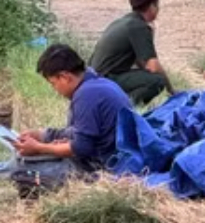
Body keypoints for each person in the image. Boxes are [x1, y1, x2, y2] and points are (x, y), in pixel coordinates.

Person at [14, 43, 131, 175]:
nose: (55, 90)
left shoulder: (86, 95)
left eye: (53, 84)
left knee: (26, 169)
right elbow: (86, 134)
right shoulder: (96, 84)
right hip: (117, 155)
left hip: (106, 165)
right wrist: (43, 135)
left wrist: (39, 148)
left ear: (64, 77)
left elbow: (82, 148)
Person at [89, 0, 172, 105]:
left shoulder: (124, 22)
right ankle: (123, 106)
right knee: (158, 81)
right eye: (157, 5)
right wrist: (171, 90)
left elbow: (142, 62)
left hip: (95, 78)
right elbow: (153, 66)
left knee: (149, 77)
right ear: (151, 7)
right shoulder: (139, 27)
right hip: (106, 79)